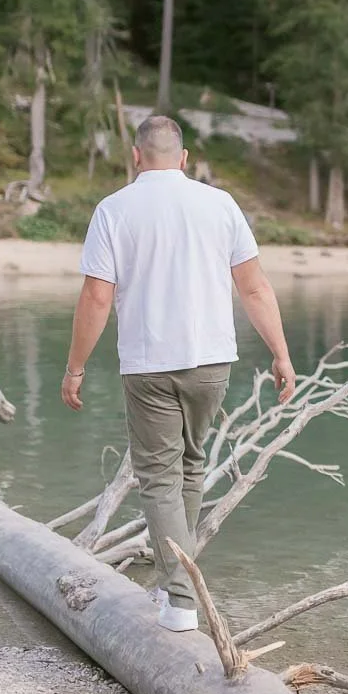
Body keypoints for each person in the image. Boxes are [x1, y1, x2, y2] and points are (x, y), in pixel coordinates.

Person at [62, 115, 297, 633]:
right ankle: (178, 590)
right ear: (185, 158)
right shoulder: (221, 204)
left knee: (158, 478)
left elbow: (97, 296)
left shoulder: (114, 210)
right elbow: (254, 287)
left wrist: (75, 367)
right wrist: (281, 354)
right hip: (212, 363)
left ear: (136, 156)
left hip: (149, 365)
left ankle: (181, 600)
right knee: (190, 467)